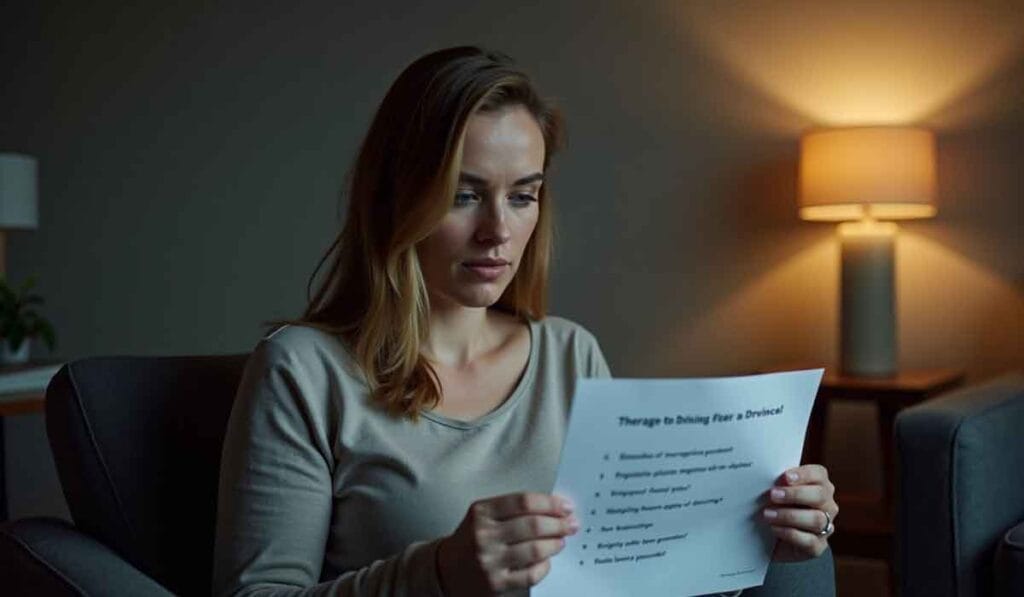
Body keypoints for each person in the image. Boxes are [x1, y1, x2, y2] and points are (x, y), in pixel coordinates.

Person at [212, 46, 838, 597]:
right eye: (464, 194)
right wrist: (438, 576)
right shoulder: (303, 369)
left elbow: (629, 577)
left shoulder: (571, 354)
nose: (498, 231)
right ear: (397, 197)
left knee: (804, 560)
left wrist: (751, 539)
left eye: (522, 195)